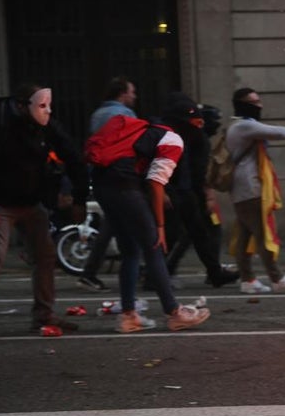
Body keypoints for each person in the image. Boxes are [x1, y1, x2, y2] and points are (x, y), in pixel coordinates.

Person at [86, 112, 211, 332]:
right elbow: (155, 183)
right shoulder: (174, 140)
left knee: (130, 251)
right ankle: (174, 312)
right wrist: (160, 226)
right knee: (154, 246)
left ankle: (129, 315)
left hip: (103, 185)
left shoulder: (146, 132)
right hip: (125, 186)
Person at [0, 83, 90, 333]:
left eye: (49, 106)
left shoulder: (45, 126)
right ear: (22, 105)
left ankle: (44, 314)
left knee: (45, 255)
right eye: (42, 106)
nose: (47, 111)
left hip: (31, 201)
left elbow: (73, 157)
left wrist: (79, 199)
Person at [226, 87, 285, 294]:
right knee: (264, 234)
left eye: (259, 101)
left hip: (242, 189)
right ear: (242, 105)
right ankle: (277, 278)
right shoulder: (243, 126)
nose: (259, 105)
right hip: (250, 188)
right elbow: (274, 131)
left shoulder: (238, 126)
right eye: (254, 102)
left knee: (245, 236)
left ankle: (248, 280)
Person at [160, 94, 239, 288]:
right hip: (177, 191)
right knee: (177, 234)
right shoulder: (181, 136)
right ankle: (157, 274)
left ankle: (213, 272)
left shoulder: (182, 135)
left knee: (195, 233)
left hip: (183, 190)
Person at [78, 75, 139, 291]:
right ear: (122, 94)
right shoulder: (124, 115)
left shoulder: (98, 114)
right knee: (132, 224)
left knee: (112, 223)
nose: (134, 96)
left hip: (102, 175)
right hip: (121, 176)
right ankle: (142, 270)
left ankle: (91, 272)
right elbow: (132, 145)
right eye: (132, 92)